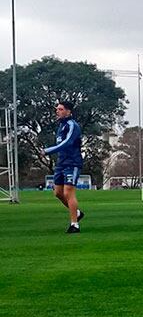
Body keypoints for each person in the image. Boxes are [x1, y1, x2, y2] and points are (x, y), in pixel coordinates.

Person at [44, 100, 85, 233]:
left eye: (61, 109)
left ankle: (74, 224)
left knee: (68, 192)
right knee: (58, 193)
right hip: (61, 163)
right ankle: (77, 213)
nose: (57, 111)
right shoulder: (60, 126)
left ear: (68, 111)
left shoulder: (72, 125)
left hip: (72, 163)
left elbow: (67, 143)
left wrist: (48, 150)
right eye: (57, 109)